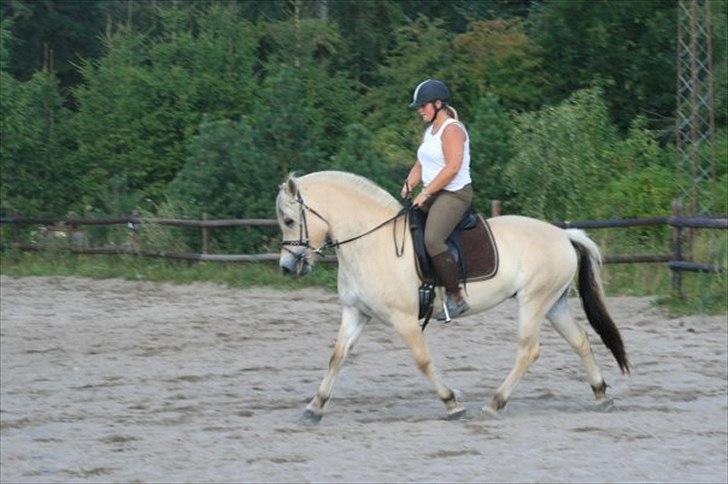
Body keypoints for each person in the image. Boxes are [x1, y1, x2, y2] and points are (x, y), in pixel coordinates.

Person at [402, 79, 472, 320]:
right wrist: (410, 182)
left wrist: (426, 192)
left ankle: (456, 298)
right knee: (404, 227)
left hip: (454, 194)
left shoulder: (452, 129)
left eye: (423, 106)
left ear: (438, 104)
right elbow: (421, 163)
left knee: (432, 239)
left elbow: (452, 168)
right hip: (432, 193)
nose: (420, 110)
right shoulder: (430, 131)